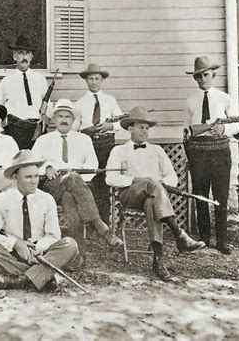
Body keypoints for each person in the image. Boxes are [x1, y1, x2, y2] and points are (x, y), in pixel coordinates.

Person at [106, 106, 206, 281]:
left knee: (152, 202)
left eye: (147, 127)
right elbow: (110, 178)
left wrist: (160, 185)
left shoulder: (157, 151)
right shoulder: (118, 151)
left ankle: (158, 260)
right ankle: (179, 234)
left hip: (152, 197)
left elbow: (172, 176)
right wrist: (138, 181)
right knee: (151, 184)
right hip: (130, 195)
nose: (144, 131)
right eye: (140, 127)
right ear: (130, 128)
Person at [32, 99, 123, 266]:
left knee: (70, 198)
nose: (64, 119)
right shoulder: (43, 140)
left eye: (68, 116)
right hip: (52, 187)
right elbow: (32, 164)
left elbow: (92, 164)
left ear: (73, 120)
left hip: (79, 187)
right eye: (60, 116)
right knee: (71, 180)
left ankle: (77, 256)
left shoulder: (83, 139)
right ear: (54, 119)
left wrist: (78, 180)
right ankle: (100, 226)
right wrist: (47, 168)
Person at [0, 150, 79, 291]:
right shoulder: (3, 199)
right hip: (12, 254)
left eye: (36, 176)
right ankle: (43, 277)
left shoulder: (46, 199)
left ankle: (20, 280)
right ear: (16, 178)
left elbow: (53, 235)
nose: (34, 182)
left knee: (70, 245)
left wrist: (37, 248)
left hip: (41, 254)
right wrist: (16, 244)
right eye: (28, 177)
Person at [184, 56, 239, 254]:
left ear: (213, 75)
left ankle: (222, 241)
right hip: (198, 153)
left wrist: (223, 131)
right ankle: (205, 238)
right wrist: (189, 153)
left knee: (221, 197)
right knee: (201, 195)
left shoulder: (225, 98)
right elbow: (187, 130)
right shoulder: (191, 101)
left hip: (220, 153)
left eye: (205, 75)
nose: (202, 79)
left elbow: (237, 124)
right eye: (198, 76)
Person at [74, 63, 124, 225]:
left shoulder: (110, 100)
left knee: (104, 181)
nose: (93, 82)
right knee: (90, 181)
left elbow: (123, 122)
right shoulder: (80, 103)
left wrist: (111, 126)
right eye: (90, 79)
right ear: (86, 81)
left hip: (107, 144)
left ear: (102, 80)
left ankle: (104, 222)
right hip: (89, 145)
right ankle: (90, 221)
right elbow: (75, 129)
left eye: (97, 78)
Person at [0, 35, 51, 149]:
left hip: (37, 129)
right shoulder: (7, 81)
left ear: (31, 57)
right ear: (14, 56)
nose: (24, 57)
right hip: (16, 130)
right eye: (20, 53)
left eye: (27, 53)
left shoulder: (40, 79)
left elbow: (48, 102)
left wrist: (47, 116)